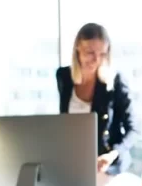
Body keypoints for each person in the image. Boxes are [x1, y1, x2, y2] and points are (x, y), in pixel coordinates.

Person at [56, 22, 135, 176]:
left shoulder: (115, 81)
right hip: (73, 161)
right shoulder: (64, 77)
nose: (96, 59)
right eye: (90, 52)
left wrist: (113, 154)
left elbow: (133, 129)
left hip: (106, 165)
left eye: (102, 54)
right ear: (77, 48)